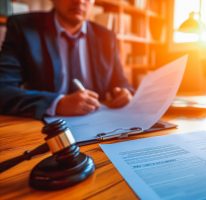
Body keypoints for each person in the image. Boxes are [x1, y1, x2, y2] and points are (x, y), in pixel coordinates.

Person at [0, 0, 133, 119]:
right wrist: (57, 103)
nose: (79, 1)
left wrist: (124, 93)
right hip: (43, 127)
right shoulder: (23, 28)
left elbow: (122, 83)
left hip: (99, 124)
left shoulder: (107, 37)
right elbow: (3, 89)